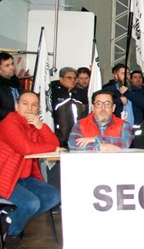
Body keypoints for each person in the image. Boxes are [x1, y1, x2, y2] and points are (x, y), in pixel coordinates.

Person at [0, 92, 61, 248]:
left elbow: (54, 142)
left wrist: (41, 126)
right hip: (5, 176)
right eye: (25, 103)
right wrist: (52, 147)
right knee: (31, 204)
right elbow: (26, 148)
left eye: (34, 105)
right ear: (17, 106)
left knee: (54, 196)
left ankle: (9, 219)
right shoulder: (9, 123)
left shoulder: (33, 124)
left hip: (24, 177)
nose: (30, 108)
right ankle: (12, 235)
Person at [68, 91, 133, 150]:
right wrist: (99, 146)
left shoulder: (123, 124)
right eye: (99, 104)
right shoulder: (80, 124)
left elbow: (126, 143)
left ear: (113, 108)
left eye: (107, 104)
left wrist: (97, 139)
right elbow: (73, 144)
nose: (103, 108)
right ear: (93, 107)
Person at [50, 67, 87, 148]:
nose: (72, 80)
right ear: (61, 79)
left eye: (74, 78)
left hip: (77, 136)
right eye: (69, 78)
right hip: (59, 137)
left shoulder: (79, 93)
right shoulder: (53, 92)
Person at [0, 52, 24, 122]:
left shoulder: (16, 82)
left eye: (12, 64)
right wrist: (15, 114)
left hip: (19, 121)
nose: (12, 67)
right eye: (7, 65)